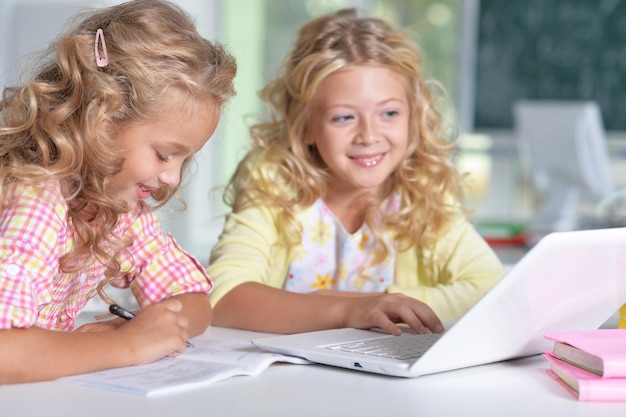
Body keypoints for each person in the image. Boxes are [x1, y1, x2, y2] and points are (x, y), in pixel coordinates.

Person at [207, 8, 504, 336]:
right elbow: (223, 295)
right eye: (343, 117)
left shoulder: (419, 191)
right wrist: (351, 310)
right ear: (305, 126)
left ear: (412, 117)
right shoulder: (274, 182)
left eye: (389, 113)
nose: (369, 136)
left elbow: (493, 290)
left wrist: (376, 302)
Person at [0, 0, 236, 384]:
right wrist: (127, 347)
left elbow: (194, 300)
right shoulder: (33, 197)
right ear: (101, 120)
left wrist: (150, 327)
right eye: (163, 154)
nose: (173, 178)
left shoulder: (117, 211)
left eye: (184, 159)